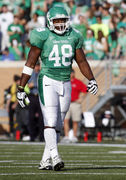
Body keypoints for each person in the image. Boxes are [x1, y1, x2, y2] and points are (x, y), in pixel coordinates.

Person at [17, 6, 98, 171]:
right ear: (49, 22)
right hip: (48, 80)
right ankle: (55, 157)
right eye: (57, 20)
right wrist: (21, 87)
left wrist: (91, 79)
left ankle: (45, 160)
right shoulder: (42, 35)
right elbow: (30, 63)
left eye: (63, 20)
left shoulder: (74, 35)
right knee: (51, 120)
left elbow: (81, 61)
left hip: (66, 81)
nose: (60, 24)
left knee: (59, 125)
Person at [62, 69, 87, 143]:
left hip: (75, 104)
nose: (71, 74)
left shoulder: (78, 82)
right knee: (65, 120)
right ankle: (66, 136)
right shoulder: (64, 81)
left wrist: (81, 98)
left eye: (72, 73)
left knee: (75, 121)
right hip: (66, 103)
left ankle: (74, 136)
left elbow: (85, 90)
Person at [28, 61, 44, 142]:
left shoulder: (42, 73)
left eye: (38, 66)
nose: (37, 68)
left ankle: (41, 137)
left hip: (40, 96)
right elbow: (27, 85)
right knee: (31, 117)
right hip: (32, 96)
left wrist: (34, 84)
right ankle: (32, 136)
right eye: (36, 66)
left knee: (41, 118)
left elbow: (42, 83)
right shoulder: (30, 74)